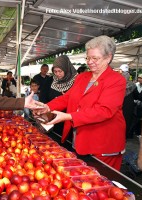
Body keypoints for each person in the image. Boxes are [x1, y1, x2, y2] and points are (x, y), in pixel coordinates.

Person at [34, 35, 126, 171]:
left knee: (101, 182)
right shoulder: (83, 77)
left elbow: (104, 111)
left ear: (108, 58)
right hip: (80, 140)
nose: (90, 62)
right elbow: (67, 98)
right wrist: (47, 106)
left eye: (95, 58)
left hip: (102, 145)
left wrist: (69, 117)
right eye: (88, 58)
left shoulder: (116, 80)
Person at [47, 55, 77, 135]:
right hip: (54, 119)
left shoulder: (76, 81)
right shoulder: (53, 81)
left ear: (66, 69)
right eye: (55, 71)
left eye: (60, 71)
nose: (57, 74)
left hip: (69, 120)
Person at [119, 64, 136, 139]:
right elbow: (137, 95)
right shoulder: (132, 85)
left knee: (119, 120)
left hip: (119, 102)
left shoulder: (118, 82)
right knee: (127, 120)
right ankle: (124, 136)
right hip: (129, 103)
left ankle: (118, 135)